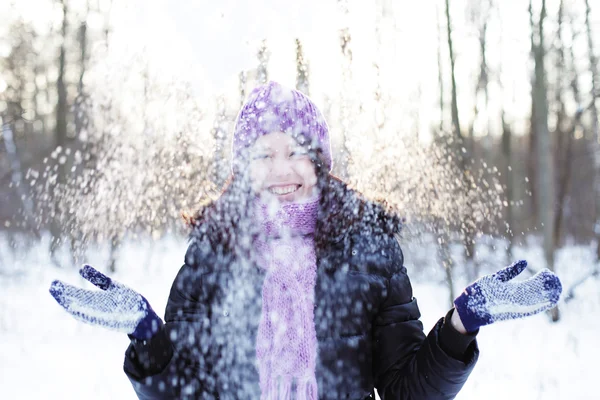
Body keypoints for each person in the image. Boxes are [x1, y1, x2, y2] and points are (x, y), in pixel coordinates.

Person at [49, 81, 562, 400]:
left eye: (296, 151)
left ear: (318, 160)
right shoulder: (214, 248)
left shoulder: (370, 247)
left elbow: (405, 390)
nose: (281, 171)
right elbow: (186, 392)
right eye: (263, 155)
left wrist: (459, 327)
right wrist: (148, 340)